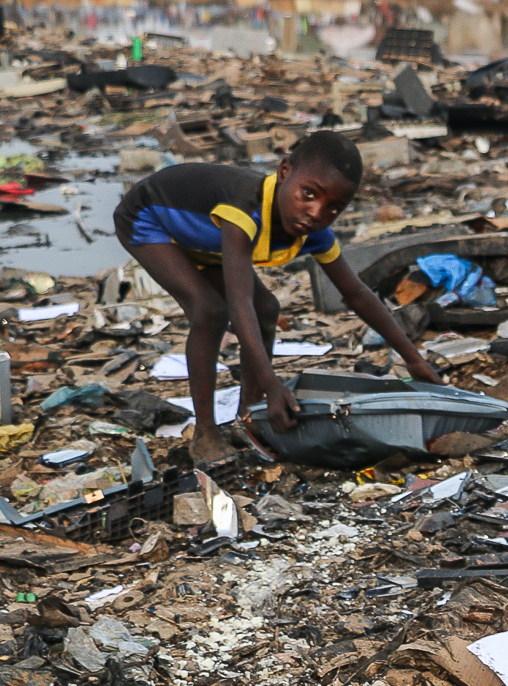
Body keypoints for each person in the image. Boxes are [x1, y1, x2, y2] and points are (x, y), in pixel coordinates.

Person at [113, 131, 441, 464]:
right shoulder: (245, 209)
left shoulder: (313, 232)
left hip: (204, 235)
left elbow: (356, 293)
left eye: (333, 208)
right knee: (209, 311)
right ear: (284, 172)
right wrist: (274, 385)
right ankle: (206, 434)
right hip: (150, 219)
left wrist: (413, 359)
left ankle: (246, 418)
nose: (316, 213)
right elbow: (239, 305)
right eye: (309, 194)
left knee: (267, 308)